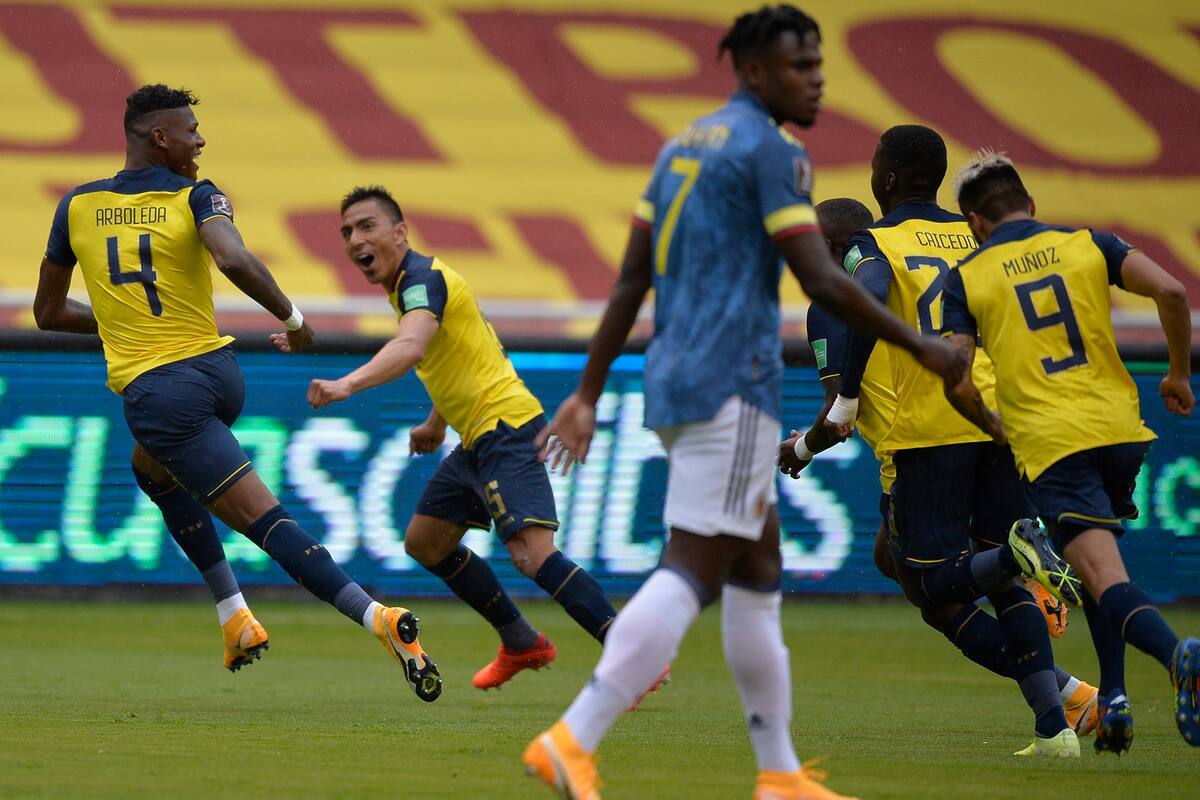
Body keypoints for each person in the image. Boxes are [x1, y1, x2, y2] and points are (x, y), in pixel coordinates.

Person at [522, 8, 965, 800]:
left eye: (818, 62)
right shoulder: (775, 153)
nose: (818, 78)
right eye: (802, 65)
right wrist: (923, 344)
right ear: (755, 70)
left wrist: (589, 391)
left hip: (680, 375)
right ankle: (572, 736)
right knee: (694, 565)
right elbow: (823, 279)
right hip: (733, 380)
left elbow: (631, 279)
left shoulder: (680, 147)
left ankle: (779, 771)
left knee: (758, 565)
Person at [32, 84, 442, 702]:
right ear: (160, 137)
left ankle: (378, 618)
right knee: (151, 468)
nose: (201, 141)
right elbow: (232, 258)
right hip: (217, 375)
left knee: (265, 521)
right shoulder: (198, 195)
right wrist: (295, 320)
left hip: (162, 393)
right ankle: (235, 617)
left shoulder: (76, 206)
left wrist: (123, 325)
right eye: (191, 130)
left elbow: (47, 313)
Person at [783, 194, 1098, 742]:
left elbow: (839, 419)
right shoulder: (967, 242)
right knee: (897, 556)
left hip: (923, 442)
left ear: (834, 248)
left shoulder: (835, 300)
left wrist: (799, 451)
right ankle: (1061, 717)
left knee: (932, 589)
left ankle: (1063, 690)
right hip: (1000, 418)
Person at [305, 185, 620, 691]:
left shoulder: (422, 279)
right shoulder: (414, 285)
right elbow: (456, 351)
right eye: (346, 231)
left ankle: (632, 654)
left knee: (532, 555)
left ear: (400, 232)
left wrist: (347, 383)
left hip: (506, 426)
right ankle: (521, 640)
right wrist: (437, 420)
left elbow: (410, 348)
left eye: (366, 226)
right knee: (425, 542)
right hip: (477, 435)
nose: (354, 239)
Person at [942, 150, 1199, 754]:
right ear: (1030, 205)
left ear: (975, 222)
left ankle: (1178, 654)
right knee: (1102, 571)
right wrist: (1180, 376)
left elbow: (955, 375)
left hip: (1055, 442)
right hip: (1120, 428)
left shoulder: (969, 275)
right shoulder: (1090, 243)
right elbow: (1171, 293)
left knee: (1102, 577)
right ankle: (1115, 702)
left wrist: (988, 420)